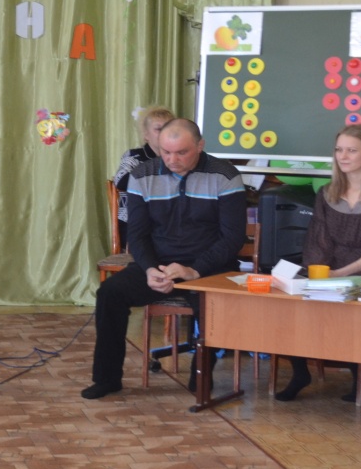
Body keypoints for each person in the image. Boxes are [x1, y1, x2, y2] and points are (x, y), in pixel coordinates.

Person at [81, 118, 247, 400]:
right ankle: (107, 378)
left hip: (209, 265)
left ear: (200, 146)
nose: (172, 160)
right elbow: (138, 235)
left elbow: (232, 238)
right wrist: (149, 269)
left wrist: (194, 270)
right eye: (165, 152)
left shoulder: (225, 174)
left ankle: (201, 374)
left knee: (212, 303)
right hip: (159, 264)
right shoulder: (142, 175)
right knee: (110, 293)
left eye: (181, 152)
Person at [275, 124, 361, 402]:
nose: (343, 156)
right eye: (338, 150)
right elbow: (318, 240)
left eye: (351, 151)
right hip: (332, 270)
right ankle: (300, 373)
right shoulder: (327, 192)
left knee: (350, 308)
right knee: (293, 306)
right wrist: (320, 274)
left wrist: (340, 275)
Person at [112, 106, 175, 249]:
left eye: (169, 128)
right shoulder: (134, 156)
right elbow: (120, 181)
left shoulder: (178, 158)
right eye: (158, 129)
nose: (165, 133)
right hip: (136, 224)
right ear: (146, 135)